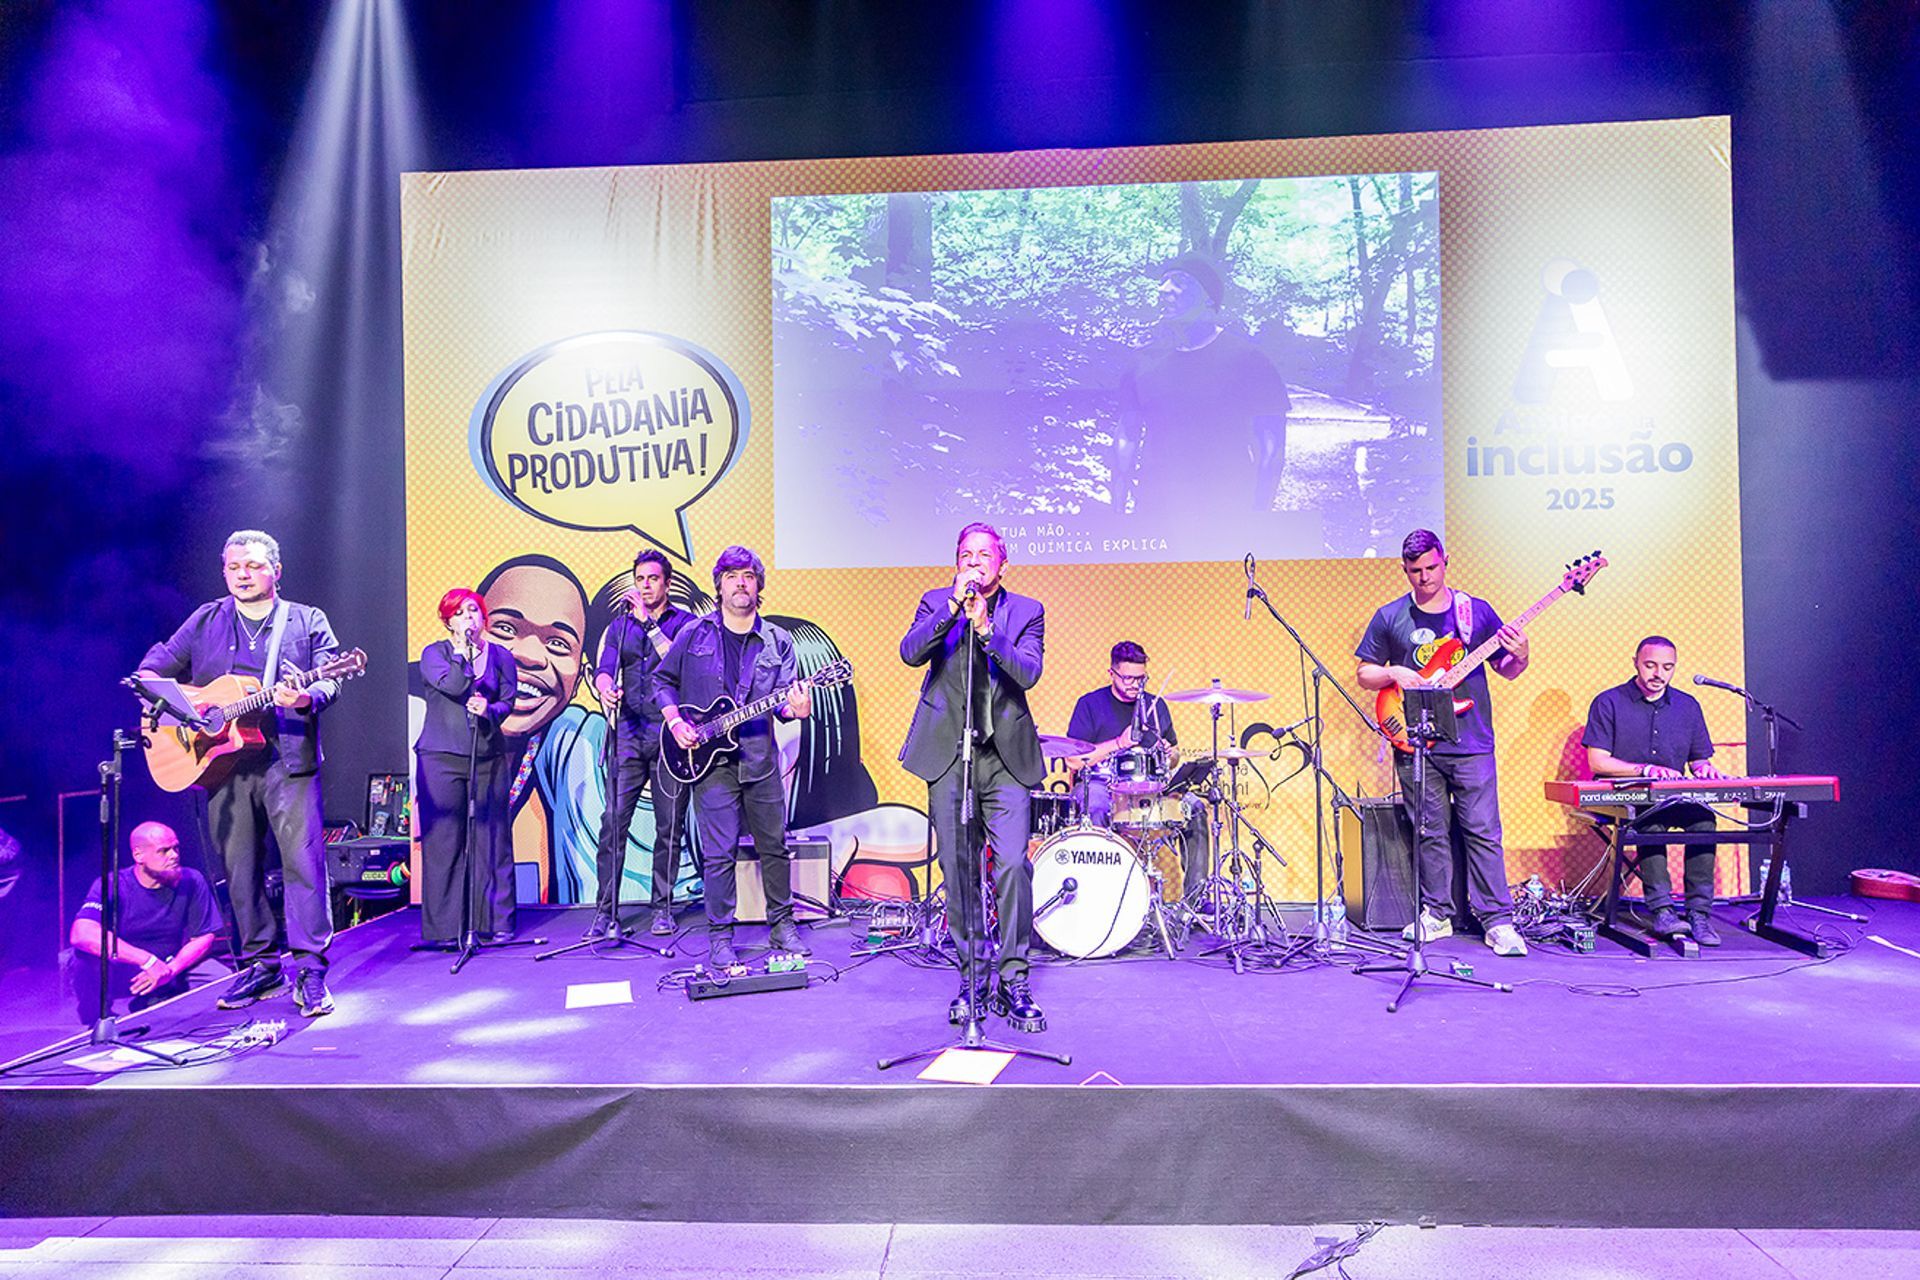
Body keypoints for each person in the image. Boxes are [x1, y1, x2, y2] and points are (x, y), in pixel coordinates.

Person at [137, 530, 341, 1016]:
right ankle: (259, 964)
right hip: (219, 760)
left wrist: (308, 695)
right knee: (238, 870)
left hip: (287, 758)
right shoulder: (207, 618)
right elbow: (152, 671)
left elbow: (333, 673)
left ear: (276, 570)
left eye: (252, 565)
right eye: (233, 567)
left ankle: (311, 970)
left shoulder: (305, 620)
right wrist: (190, 712)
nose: (242, 575)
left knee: (303, 865)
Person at [899, 522, 1048, 1031]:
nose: (976, 562)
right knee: (959, 872)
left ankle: (1014, 977)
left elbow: (1027, 672)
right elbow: (910, 651)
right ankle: (972, 978)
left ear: (1002, 565)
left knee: (1010, 867)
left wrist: (986, 628)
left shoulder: (1026, 612)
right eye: (967, 554)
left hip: (1005, 759)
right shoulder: (934, 601)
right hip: (949, 755)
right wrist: (952, 612)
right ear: (956, 563)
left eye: (986, 555)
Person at [1354, 528, 1531, 958]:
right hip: (1416, 743)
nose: (1424, 578)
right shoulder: (1391, 616)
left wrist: (1521, 652)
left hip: (1471, 741)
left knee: (1483, 831)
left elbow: (1507, 669)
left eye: (1431, 567)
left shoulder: (1476, 612)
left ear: (1445, 561)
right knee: (1430, 830)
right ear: (1405, 570)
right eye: (1415, 571)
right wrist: (1395, 673)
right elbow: (1364, 674)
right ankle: (1437, 912)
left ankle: (1497, 920)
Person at [656, 546, 812, 968]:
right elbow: (662, 681)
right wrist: (675, 723)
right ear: (719, 584)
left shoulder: (778, 641)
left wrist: (794, 709)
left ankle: (783, 925)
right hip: (711, 766)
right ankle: (720, 938)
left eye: (748, 575)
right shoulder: (694, 634)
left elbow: (782, 703)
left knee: (774, 847)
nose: (740, 582)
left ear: (759, 585)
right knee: (718, 854)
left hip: (760, 760)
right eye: (731, 575)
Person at [1115, 253, 1291, 549]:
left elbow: (1271, 450)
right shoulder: (1142, 362)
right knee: (1156, 594)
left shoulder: (1248, 360)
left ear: (1209, 298)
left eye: (1179, 282)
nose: (1164, 289)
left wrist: (1259, 518)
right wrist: (1118, 513)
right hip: (1155, 515)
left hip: (1226, 517)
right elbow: (1126, 437)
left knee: (1221, 595)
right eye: (1162, 282)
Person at [1582, 636, 1728, 946]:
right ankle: (1662, 911)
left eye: (1667, 667)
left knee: (1704, 821)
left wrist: (1705, 770)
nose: (1658, 673)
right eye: (1650, 665)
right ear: (1635, 661)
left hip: (1673, 795)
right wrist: (1644, 770)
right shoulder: (1608, 701)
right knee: (1651, 823)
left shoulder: (1688, 705)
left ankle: (1699, 914)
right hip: (1628, 797)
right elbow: (1597, 760)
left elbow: (1698, 760)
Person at [589, 548, 695, 939]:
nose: (645, 585)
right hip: (629, 734)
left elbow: (678, 665)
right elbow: (604, 667)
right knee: (613, 822)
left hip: (669, 736)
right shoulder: (620, 626)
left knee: (669, 826)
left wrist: (649, 624)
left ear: (666, 583)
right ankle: (605, 911)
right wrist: (604, 687)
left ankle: (662, 909)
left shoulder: (685, 624)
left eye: (652, 578)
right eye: (639, 579)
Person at [1064, 641, 1208, 899]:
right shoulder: (1089, 704)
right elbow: (1074, 762)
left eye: (1141, 679)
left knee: (1194, 807)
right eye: (1128, 678)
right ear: (1112, 673)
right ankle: (1101, 896)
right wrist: (1118, 743)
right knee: (1093, 804)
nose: (1135, 685)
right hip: (1103, 785)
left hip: (1150, 789)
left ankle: (1196, 900)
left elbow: (1174, 756)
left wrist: (1169, 753)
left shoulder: (1156, 705)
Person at [417, 588, 520, 946]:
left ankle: (495, 922)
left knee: (491, 839)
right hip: (441, 758)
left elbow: (508, 700)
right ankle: (445, 929)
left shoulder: (502, 656)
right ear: (448, 621)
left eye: (473, 611)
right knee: (444, 841)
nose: (468, 619)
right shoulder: (435, 654)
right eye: (459, 613)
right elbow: (455, 684)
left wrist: (489, 711)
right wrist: (462, 654)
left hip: (488, 756)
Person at [69, 822, 221, 1024]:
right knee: (84, 959)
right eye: (164, 851)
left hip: (170, 964)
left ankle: (157, 1002)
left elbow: (204, 935)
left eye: (175, 848)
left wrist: (170, 970)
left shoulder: (192, 879)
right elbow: (81, 933)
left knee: (221, 979)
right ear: (139, 855)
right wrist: (147, 961)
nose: (174, 855)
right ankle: (97, 1021)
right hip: (124, 967)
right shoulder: (114, 884)